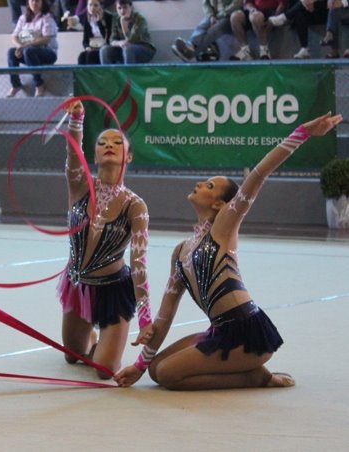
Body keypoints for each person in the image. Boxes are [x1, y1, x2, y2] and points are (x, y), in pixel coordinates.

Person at [114, 112, 342, 390]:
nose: (199, 184)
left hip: (247, 332)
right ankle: (239, 368)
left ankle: (255, 376)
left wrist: (302, 133)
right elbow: (164, 317)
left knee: (170, 376)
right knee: (155, 370)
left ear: (222, 205)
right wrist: (139, 367)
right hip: (220, 330)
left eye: (210, 186)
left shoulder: (223, 228)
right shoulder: (181, 252)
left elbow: (258, 175)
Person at [57, 98, 154, 379]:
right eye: (101, 143)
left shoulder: (135, 205)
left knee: (104, 371)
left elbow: (139, 264)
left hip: (113, 290)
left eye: (117, 142)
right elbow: (73, 154)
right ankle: (92, 338)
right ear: (95, 156)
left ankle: (110, 336)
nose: (109, 145)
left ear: (129, 156)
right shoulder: (79, 187)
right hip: (79, 284)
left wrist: (145, 317)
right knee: (73, 356)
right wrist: (77, 119)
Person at [7, 0, 59, 98]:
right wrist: (19, 46)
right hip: (28, 52)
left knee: (29, 51)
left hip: (48, 53)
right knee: (11, 52)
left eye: (37, 1)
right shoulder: (23, 18)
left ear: (42, 3)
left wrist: (25, 46)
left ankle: (39, 84)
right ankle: (15, 84)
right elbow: (14, 36)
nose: (34, 3)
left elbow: (46, 39)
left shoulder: (47, 17)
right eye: (32, 0)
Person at [171, 0, 243, 63]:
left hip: (230, 16)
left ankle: (191, 53)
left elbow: (237, 4)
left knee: (213, 31)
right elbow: (206, 3)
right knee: (203, 24)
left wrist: (219, 15)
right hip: (215, 15)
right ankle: (190, 45)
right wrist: (211, 15)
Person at [100, 0, 156, 65]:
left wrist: (124, 25)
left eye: (125, 7)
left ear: (131, 7)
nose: (122, 11)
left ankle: (129, 74)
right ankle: (107, 74)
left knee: (129, 48)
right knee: (104, 50)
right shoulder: (116, 18)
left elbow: (132, 40)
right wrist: (119, 43)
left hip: (144, 49)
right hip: (124, 48)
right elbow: (112, 40)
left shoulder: (140, 19)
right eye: (119, 8)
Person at [77, 0, 113, 65]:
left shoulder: (108, 17)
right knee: (81, 56)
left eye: (95, 5)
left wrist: (99, 22)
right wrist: (87, 47)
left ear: (101, 6)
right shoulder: (87, 19)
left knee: (90, 56)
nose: (92, 8)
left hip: (105, 46)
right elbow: (85, 40)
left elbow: (108, 37)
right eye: (90, 5)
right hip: (92, 46)